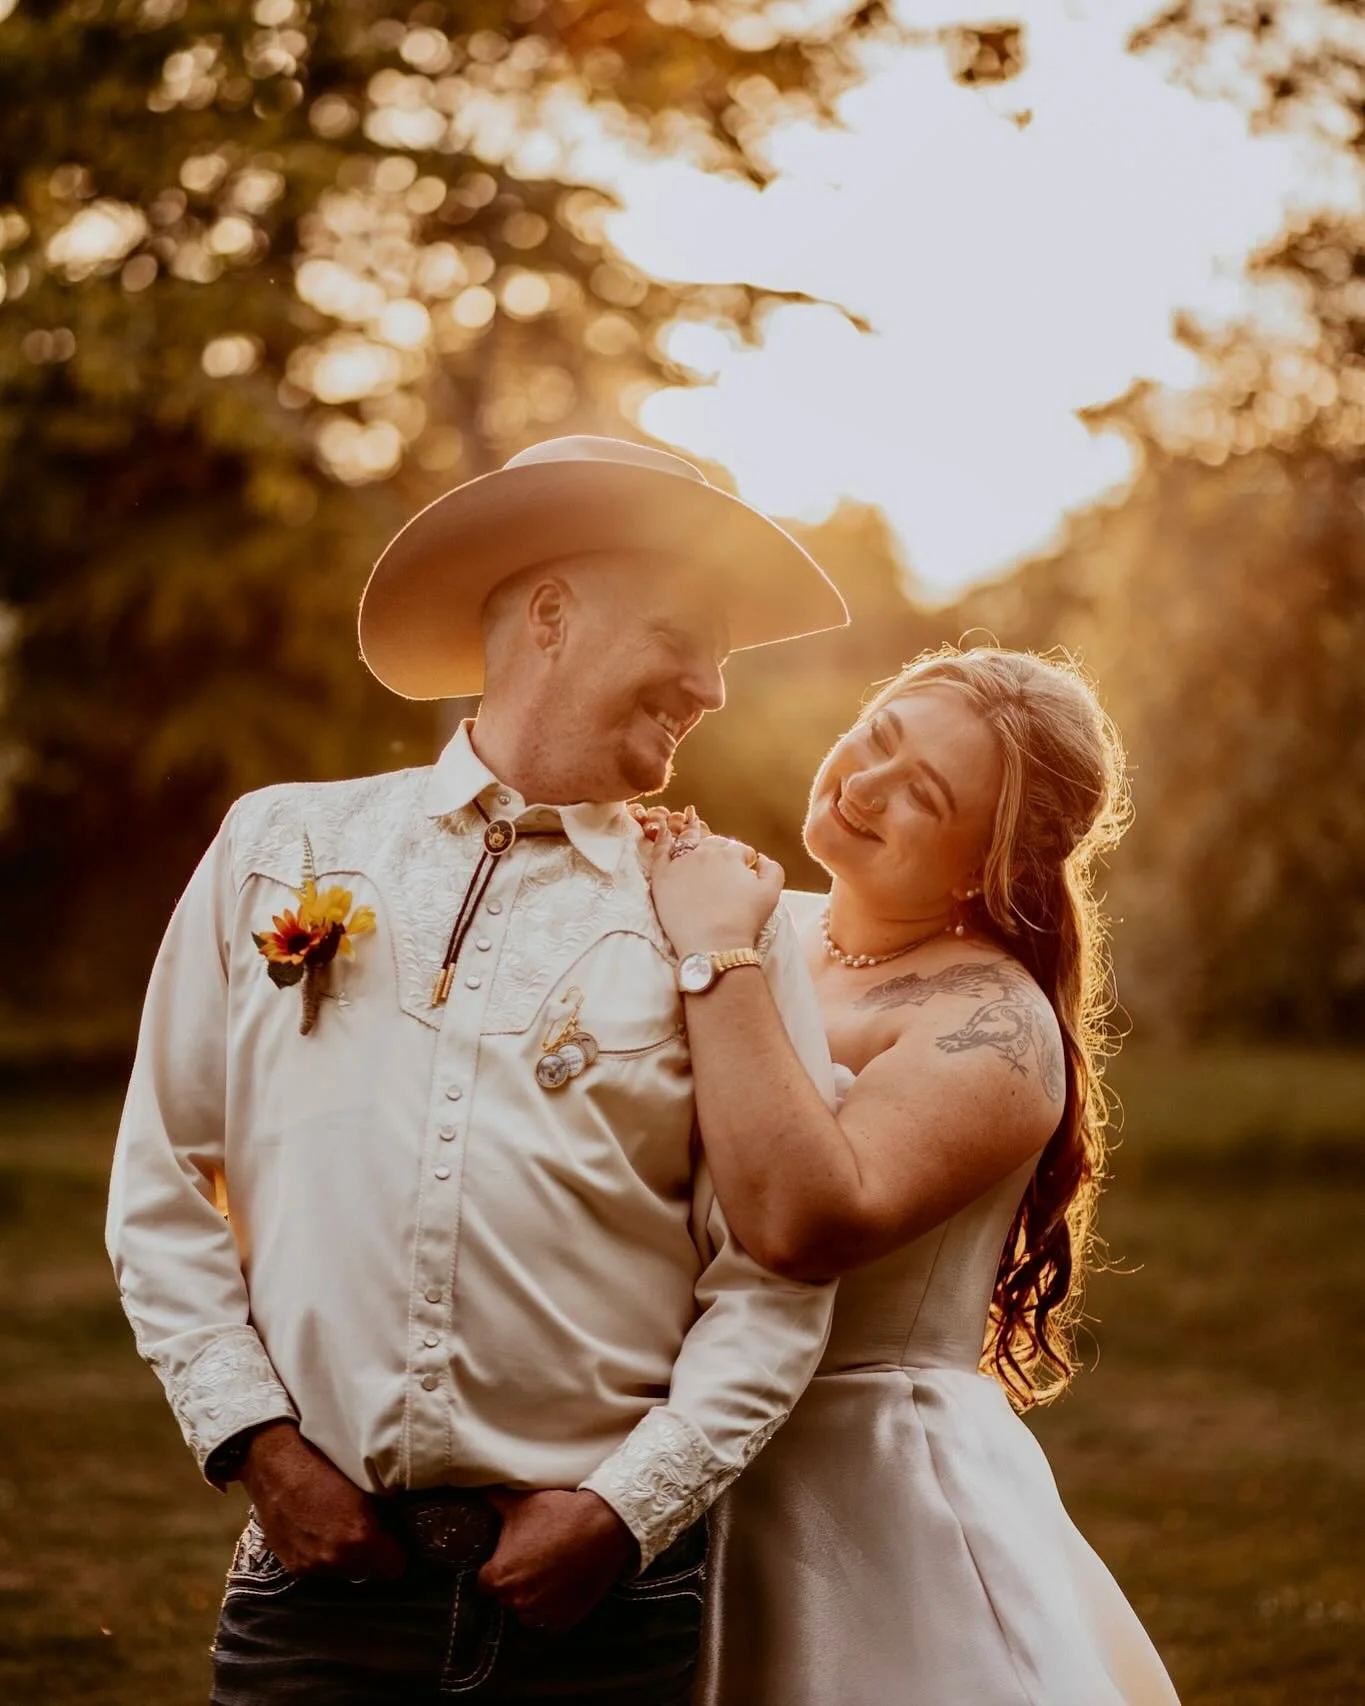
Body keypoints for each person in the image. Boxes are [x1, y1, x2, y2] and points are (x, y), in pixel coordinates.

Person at [105, 434, 852, 1705]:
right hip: (316, 1596)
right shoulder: (280, 843)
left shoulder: (730, 919)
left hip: (602, 1608)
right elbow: (165, 1174)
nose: (712, 687)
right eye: (687, 636)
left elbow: (773, 1274)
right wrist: (260, 1449)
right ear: (552, 614)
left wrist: (626, 1508)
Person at [641, 646, 1183, 1705]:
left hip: (862, 1502)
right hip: (673, 1462)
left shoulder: (992, 1024)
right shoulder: (764, 915)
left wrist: (712, 949)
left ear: (988, 865)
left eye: (923, 794)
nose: (864, 780)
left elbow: (800, 1217)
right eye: (877, 734)